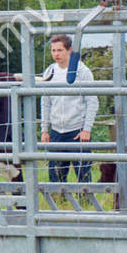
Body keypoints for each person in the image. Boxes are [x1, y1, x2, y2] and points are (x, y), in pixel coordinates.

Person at [39, 33, 98, 185]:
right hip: (57, 131)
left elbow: (92, 101)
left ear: (70, 50)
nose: (56, 54)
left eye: (60, 50)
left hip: (77, 131)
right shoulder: (49, 72)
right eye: (53, 50)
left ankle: (85, 204)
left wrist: (87, 129)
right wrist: (45, 129)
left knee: (83, 174)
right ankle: (58, 205)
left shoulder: (82, 71)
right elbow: (45, 102)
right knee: (56, 174)